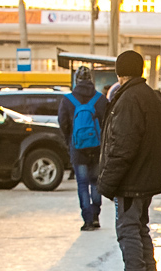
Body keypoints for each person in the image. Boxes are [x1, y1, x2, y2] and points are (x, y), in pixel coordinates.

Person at [98, 50, 161, 271]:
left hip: (131, 179)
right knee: (139, 228)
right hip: (146, 177)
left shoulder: (128, 99)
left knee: (127, 229)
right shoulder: (149, 96)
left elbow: (122, 145)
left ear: (119, 71)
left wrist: (106, 182)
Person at [58, 66, 108, 231]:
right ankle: (95, 215)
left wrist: (69, 141)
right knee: (96, 182)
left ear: (76, 80)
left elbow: (63, 123)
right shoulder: (100, 99)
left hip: (78, 148)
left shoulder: (68, 100)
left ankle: (87, 220)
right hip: (97, 147)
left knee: (82, 184)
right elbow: (108, 124)